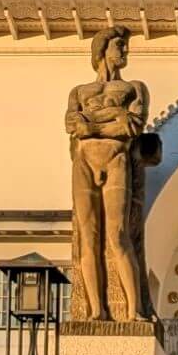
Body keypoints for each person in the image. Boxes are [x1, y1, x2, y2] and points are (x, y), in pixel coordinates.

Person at [65, 25, 160, 320]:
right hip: (84, 163)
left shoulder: (134, 87)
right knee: (87, 238)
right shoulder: (79, 91)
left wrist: (92, 124)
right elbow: (72, 126)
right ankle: (96, 311)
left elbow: (130, 126)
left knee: (118, 236)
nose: (125, 51)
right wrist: (112, 116)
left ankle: (134, 311)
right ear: (102, 51)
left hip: (116, 158)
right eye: (119, 45)